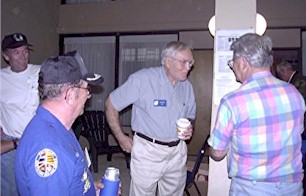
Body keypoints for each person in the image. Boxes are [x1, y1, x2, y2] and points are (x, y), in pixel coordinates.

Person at [208, 33, 305, 196]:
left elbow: (217, 154)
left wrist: (212, 148)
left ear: (244, 63)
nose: (233, 68)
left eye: (233, 63)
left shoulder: (233, 101)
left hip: (251, 188)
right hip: (292, 186)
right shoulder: (294, 93)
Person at [105, 41, 196, 196]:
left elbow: (190, 115)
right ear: (168, 61)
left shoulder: (186, 86)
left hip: (177, 152)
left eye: (190, 62)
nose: (188, 67)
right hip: (148, 150)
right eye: (184, 62)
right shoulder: (142, 80)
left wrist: (189, 127)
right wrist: (120, 138)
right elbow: (111, 104)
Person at [14, 51, 105, 195]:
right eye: (87, 89)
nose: (88, 96)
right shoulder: (49, 149)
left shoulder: (59, 125)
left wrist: (90, 189)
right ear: (69, 95)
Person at [0, 33, 40, 195]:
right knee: (10, 188)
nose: (23, 57)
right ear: (6, 56)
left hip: (38, 140)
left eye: (25, 51)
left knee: (37, 185)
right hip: (12, 143)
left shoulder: (40, 72)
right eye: (16, 53)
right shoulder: (1, 78)